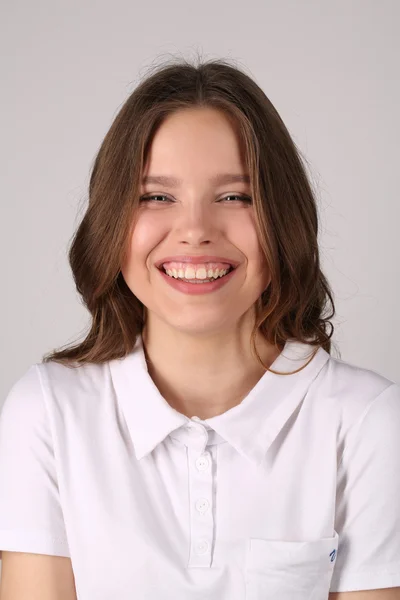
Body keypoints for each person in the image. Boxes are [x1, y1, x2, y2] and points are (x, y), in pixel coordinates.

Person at [0, 56, 399, 600]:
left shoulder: (368, 423)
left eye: (234, 196)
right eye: (156, 197)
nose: (194, 231)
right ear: (112, 219)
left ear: (284, 218)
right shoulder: (46, 413)